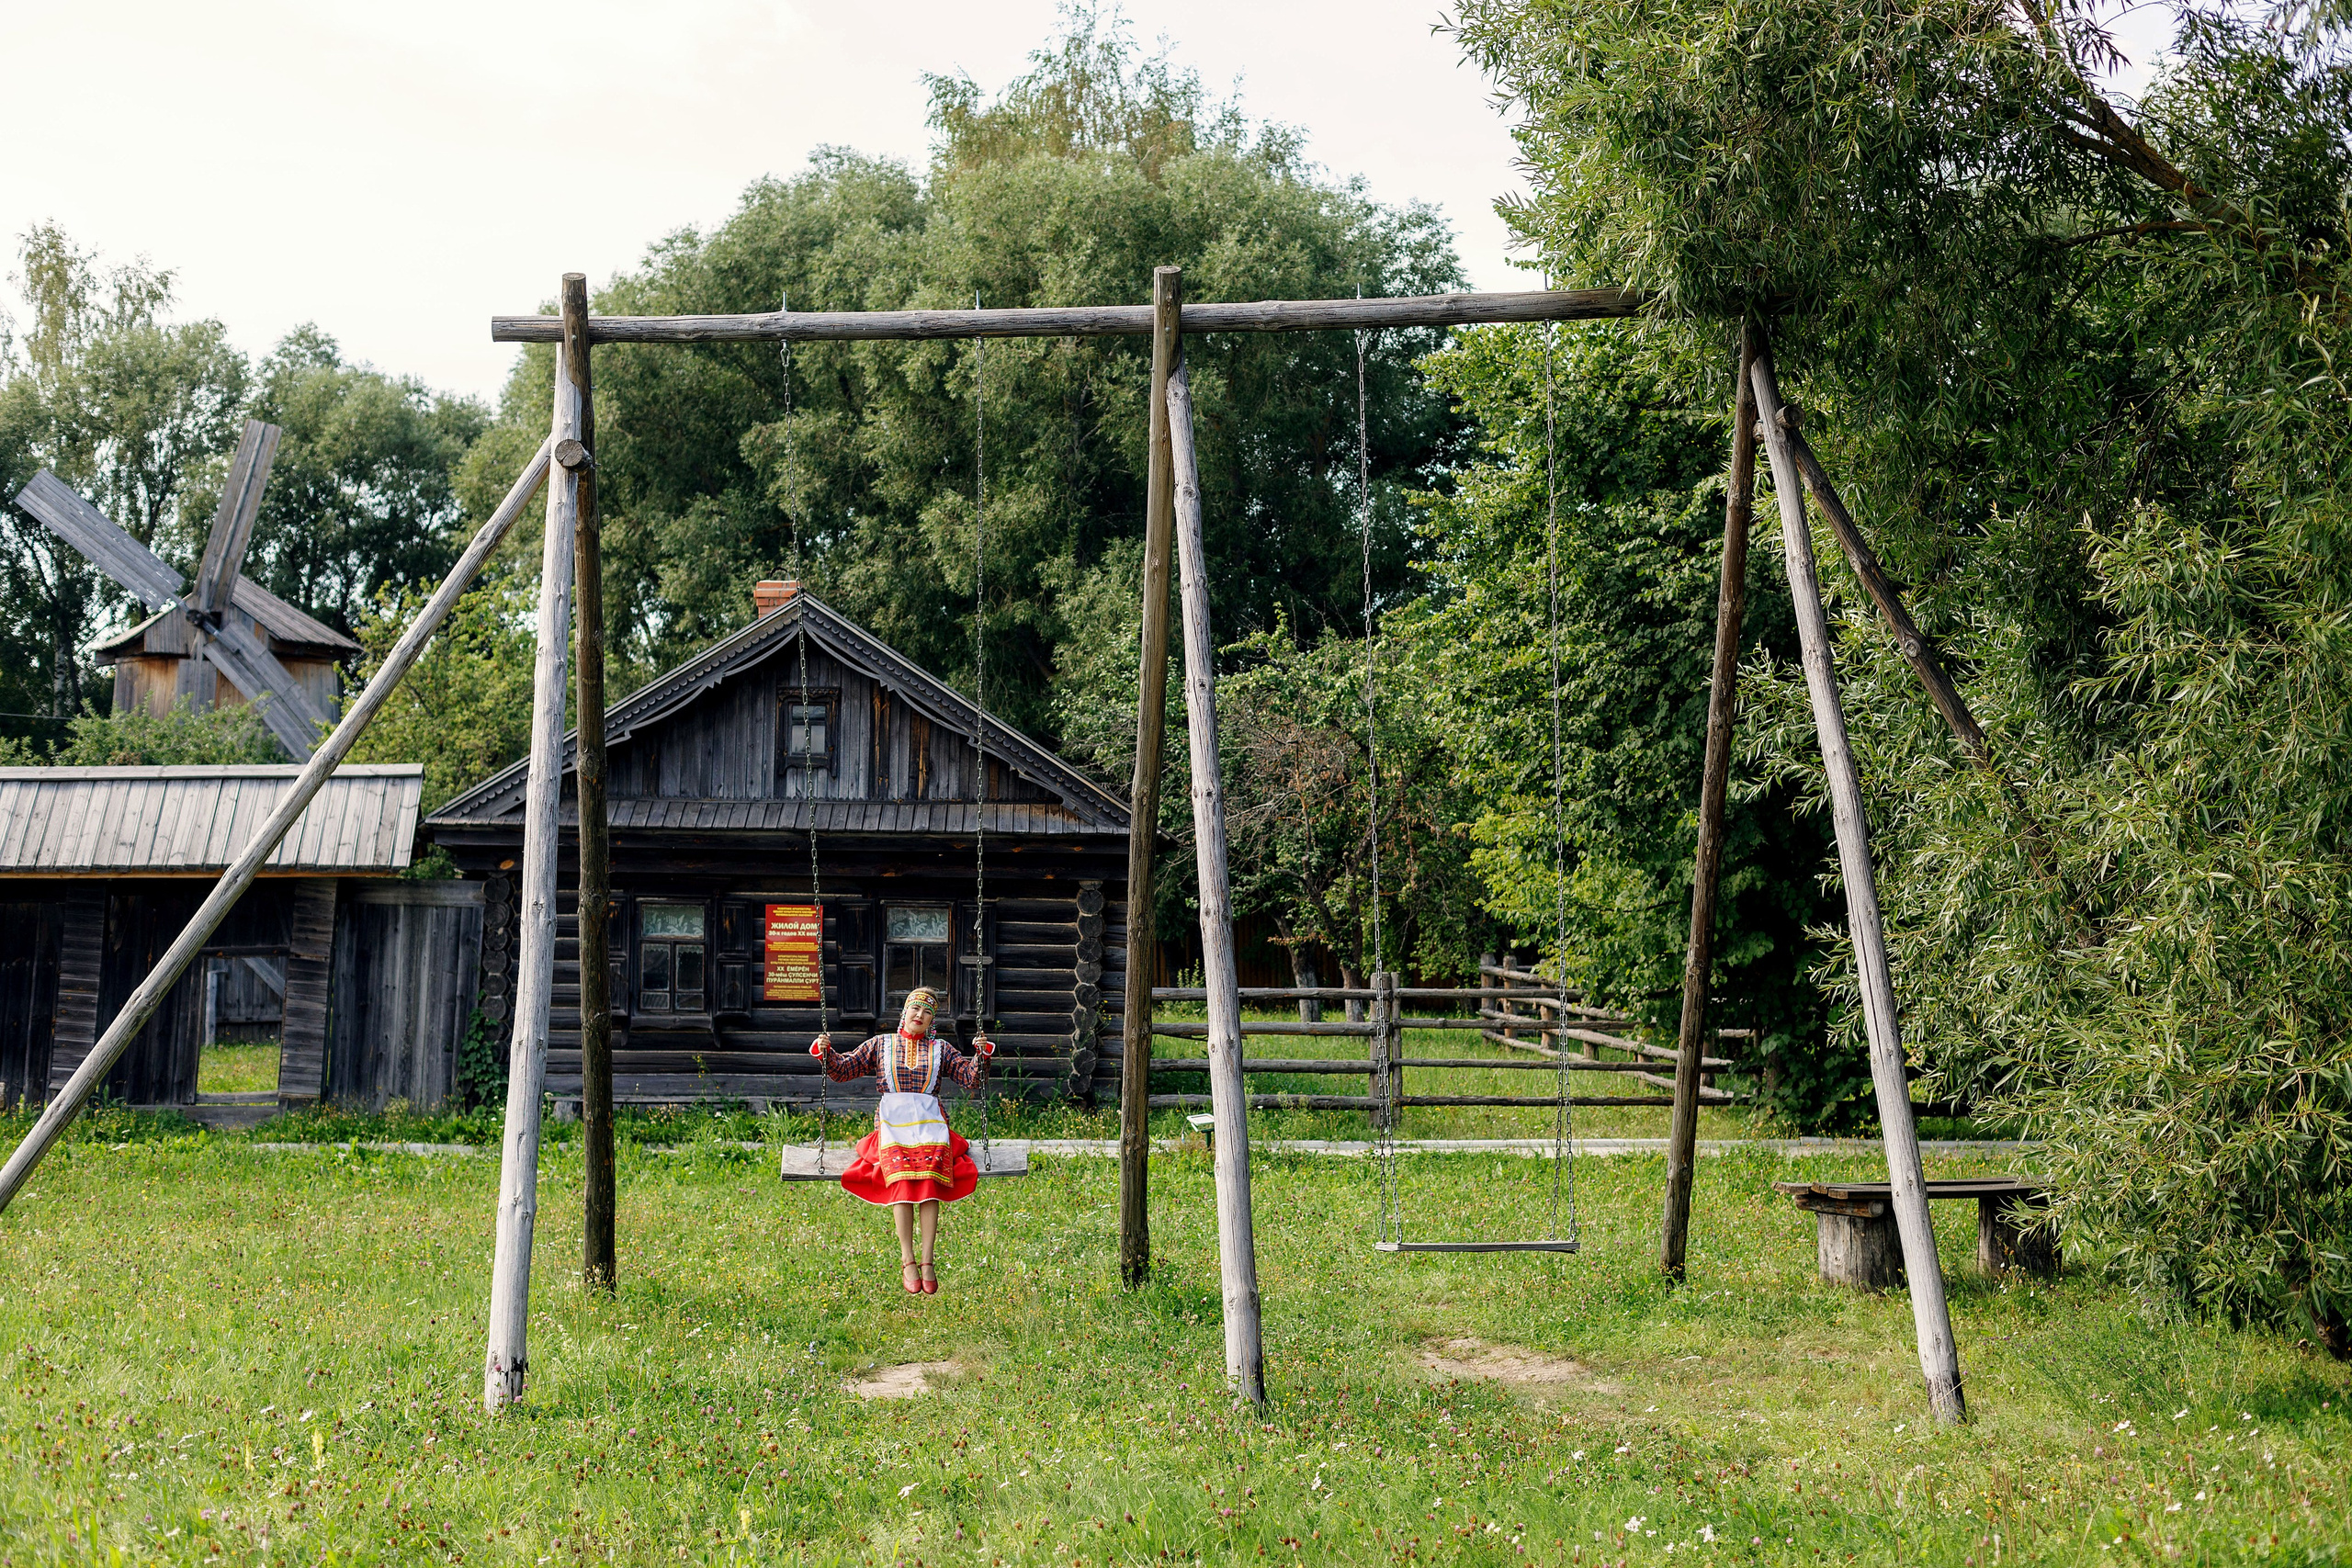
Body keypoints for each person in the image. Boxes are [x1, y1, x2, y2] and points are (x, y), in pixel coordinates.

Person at [809, 987, 994, 1295]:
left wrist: (981, 1056)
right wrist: (825, 1051)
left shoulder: (941, 1050)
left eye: (926, 1012)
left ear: (932, 1020)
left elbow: (969, 1078)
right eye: (915, 1009)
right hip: (893, 1123)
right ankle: (907, 1259)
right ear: (904, 1012)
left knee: (929, 1181)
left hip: (930, 1123)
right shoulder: (881, 1045)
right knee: (903, 1181)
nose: (919, 1016)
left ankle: (927, 1260)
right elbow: (843, 1070)